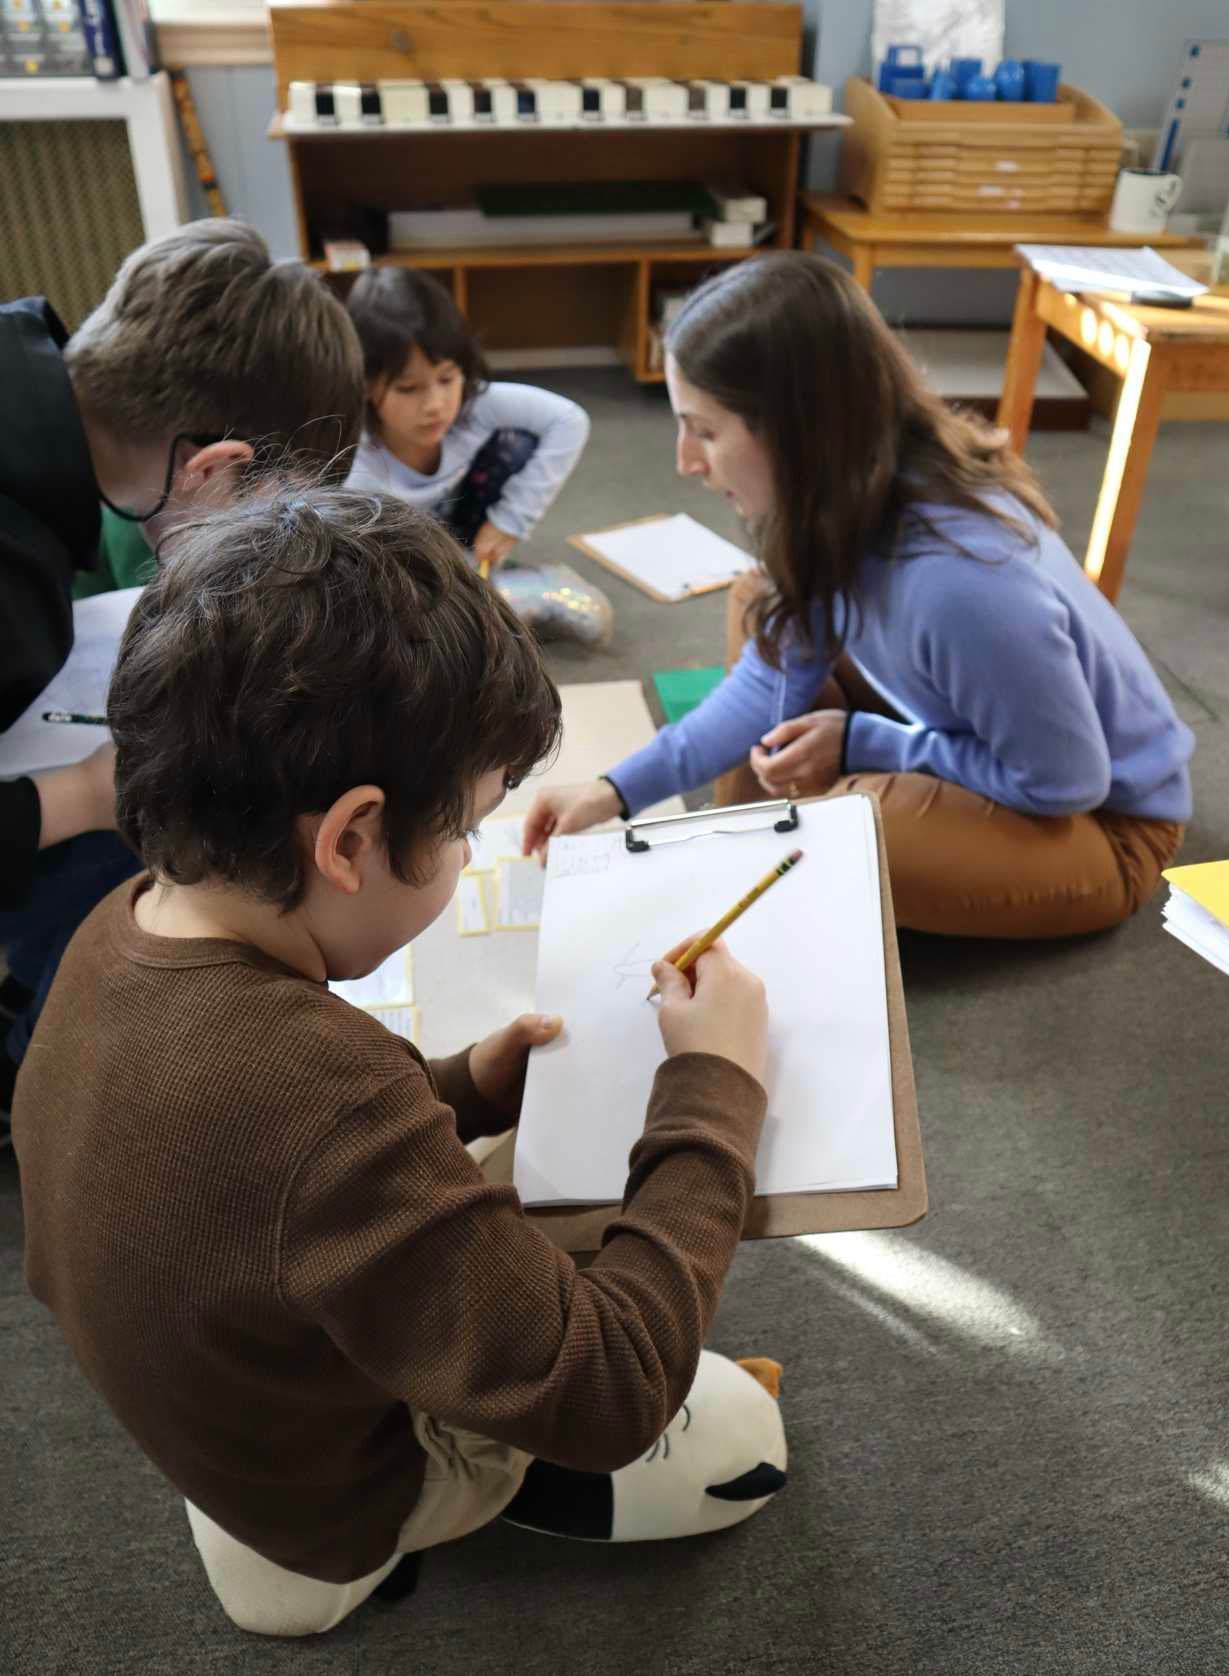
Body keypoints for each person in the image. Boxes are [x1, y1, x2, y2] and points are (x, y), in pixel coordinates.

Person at [13, 488, 780, 1637]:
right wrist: (712, 1088)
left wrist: (466, 1081)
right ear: (352, 838)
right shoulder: (324, 1096)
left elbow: (265, 1163)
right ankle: (461, 1497)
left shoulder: (116, 927)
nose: (472, 850)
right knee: (736, 1433)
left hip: (222, 1406)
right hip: (345, 1493)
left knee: (515, 1159)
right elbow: (613, 1385)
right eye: (468, 825)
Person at [521, 253, 1195, 940]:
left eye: (706, 430)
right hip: (995, 743)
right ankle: (748, 839)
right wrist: (615, 791)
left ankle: (782, 841)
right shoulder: (846, 500)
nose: (685, 460)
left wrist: (866, 746)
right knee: (765, 604)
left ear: (795, 432)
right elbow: (766, 683)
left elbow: (1066, 784)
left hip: (1105, 826)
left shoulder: (958, 584)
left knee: (839, 834)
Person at [0, 219, 365, 1113]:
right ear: (211, 467)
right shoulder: (12, 578)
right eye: (264, 522)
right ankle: (48, 1086)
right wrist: (79, 798)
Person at [343, 268, 590, 577]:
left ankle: (470, 564)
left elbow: (569, 420)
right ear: (365, 384)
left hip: (461, 528)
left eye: (447, 379)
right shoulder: (353, 465)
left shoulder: (475, 406)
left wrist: (509, 521)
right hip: (394, 556)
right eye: (408, 389)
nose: (435, 405)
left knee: (516, 443)